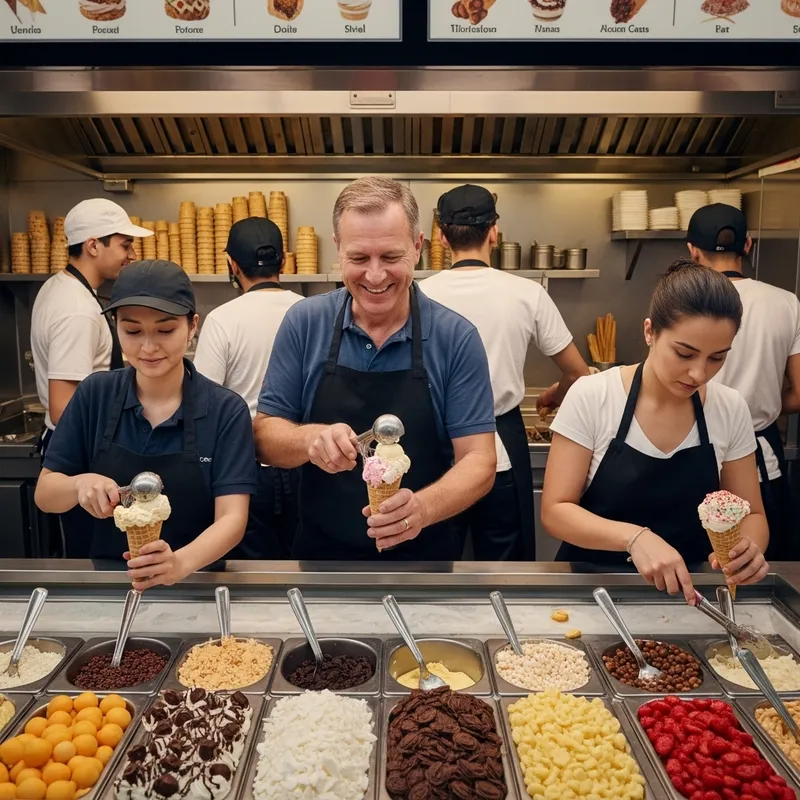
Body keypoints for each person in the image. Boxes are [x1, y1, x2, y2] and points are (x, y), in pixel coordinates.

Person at [254, 176, 497, 560]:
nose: (375, 275)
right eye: (358, 258)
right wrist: (309, 440)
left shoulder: (455, 337)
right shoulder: (305, 323)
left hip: (426, 561)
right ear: (337, 250)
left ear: (417, 248)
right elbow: (264, 434)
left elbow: (480, 460)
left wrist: (423, 507)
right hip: (321, 560)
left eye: (390, 257)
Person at [541, 260, 769, 603]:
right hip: (593, 589)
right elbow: (556, 510)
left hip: (690, 595)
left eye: (716, 358)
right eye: (684, 353)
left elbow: (752, 513)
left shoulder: (729, 407)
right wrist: (634, 537)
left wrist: (747, 548)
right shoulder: (594, 396)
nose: (698, 373)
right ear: (650, 332)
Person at [34, 260, 257, 591]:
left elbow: (232, 518)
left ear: (192, 326)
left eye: (165, 330)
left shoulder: (225, 410)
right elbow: (45, 494)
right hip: (109, 585)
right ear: (116, 327)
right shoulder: (95, 395)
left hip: (198, 582)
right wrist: (80, 485)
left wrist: (179, 563)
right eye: (133, 331)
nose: (149, 347)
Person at [420, 184, 589, 560]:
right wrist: (554, 394)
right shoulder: (527, 293)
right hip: (501, 444)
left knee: (434, 563)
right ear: (494, 232)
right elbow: (578, 373)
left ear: (443, 238)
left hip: (435, 448)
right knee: (505, 566)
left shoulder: (418, 295)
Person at [31, 198, 152, 556]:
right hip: (81, 456)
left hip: (85, 451)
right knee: (95, 553)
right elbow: (62, 406)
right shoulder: (77, 311)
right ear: (93, 245)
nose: (130, 254)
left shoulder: (62, 288)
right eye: (124, 244)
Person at [687, 203, 800, 560]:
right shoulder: (786, 303)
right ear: (747, 246)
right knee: (753, 564)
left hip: (693, 455)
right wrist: (766, 405)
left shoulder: (687, 303)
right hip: (760, 459)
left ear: (691, 250)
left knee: (689, 566)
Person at [194, 217, 303, 559]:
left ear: (232, 264)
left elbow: (203, 402)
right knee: (308, 564)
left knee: (256, 574)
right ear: (284, 260)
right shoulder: (310, 312)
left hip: (244, 471)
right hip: (307, 461)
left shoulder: (223, 318)